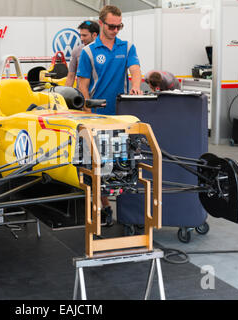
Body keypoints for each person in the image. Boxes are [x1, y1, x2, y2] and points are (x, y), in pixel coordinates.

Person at [77, 5, 143, 226]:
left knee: (124, 167)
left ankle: (128, 211)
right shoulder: (88, 52)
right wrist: (87, 116)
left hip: (121, 117)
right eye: (112, 26)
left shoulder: (127, 46)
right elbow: (82, 86)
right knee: (99, 169)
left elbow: (135, 69)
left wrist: (136, 86)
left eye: (119, 26)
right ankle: (105, 207)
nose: (116, 30)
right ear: (102, 23)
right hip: (97, 118)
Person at [65, 20, 100, 87]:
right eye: (81, 35)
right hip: (81, 95)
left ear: (94, 35)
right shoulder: (77, 51)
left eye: (84, 35)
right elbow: (71, 76)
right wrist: (65, 94)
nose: (81, 38)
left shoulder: (105, 51)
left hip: (99, 95)